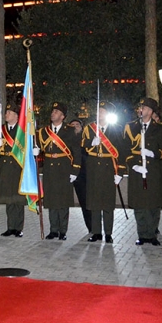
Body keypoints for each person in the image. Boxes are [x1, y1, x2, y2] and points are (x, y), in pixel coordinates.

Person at [124, 97, 162, 246]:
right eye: (140, 107)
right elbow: (124, 149)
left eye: (143, 108)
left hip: (153, 171)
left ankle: (152, 234)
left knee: (153, 204)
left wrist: (153, 154)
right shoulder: (131, 127)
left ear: (150, 111)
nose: (140, 110)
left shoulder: (158, 129)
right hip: (138, 171)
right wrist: (134, 165)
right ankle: (142, 234)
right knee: (139, 204)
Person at [81, 101, 124, 243]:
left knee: (107, 202)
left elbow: (122, 152)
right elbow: (82, 144)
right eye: (98, 110)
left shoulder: (116, 129)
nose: (99, 113)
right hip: (93, 167)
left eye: (102, 111)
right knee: (94, 202)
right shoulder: (89, 128)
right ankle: (96, 232)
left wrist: (120, 173)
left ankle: (109, 233)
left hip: (108, 168)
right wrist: (91, 143)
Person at [38, 102, 81, 240]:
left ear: (62, 116)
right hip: (50, 169)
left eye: (56, 112)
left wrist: (75, 171)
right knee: (51, 201)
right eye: (53, 111)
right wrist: (36, 150)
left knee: (62, 201)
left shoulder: (69, 131)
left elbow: (76, 152)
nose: (53, 113)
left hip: (64, 169)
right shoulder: (43, 131)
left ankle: (63, 231)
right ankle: (53, 230)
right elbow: (38, 147)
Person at [0, 101, 27, 238]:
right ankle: (10, 227)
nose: (6, 115)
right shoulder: (0, 130)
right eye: (6, 112)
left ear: (16, 115)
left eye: (9, 113)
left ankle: (18, 228)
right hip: (5, 166)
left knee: (18, 199)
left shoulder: (22, 130)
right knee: (9, 198)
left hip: (17, 166)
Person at [68, 118, 92, 234]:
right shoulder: (66, 139)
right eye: (72, 125)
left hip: (86, 174)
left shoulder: (86, 138)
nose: (75, 126)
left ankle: (93, 227)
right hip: (71, 174)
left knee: (88, 202)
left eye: (77, 124)